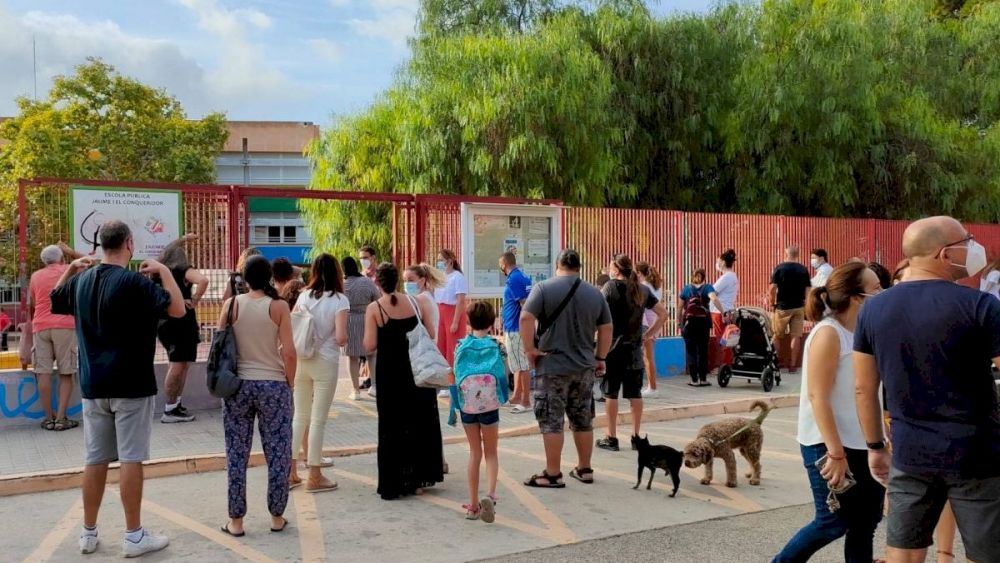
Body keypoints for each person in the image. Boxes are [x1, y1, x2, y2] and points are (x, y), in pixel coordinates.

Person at [854, 216, 1000, 563]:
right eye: (967, 240)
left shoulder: (873, 309)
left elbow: (863, 388)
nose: (974, 247)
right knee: (986, 554)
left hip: (909, 454)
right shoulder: (980, 306)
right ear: (945, 253)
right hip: (976, 454)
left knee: (903, 553)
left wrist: (875, 446)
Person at [50, 220, 185, 557]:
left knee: (95, 460)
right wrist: (164, 272)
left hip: (93, 385)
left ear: (100, 245)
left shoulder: (82, 280)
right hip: (131, 384)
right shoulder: (135, 282)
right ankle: (134, 535)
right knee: (131, 458)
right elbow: (178, 309)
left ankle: (88, 532)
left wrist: (71, 269)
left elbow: (55, 300)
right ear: (129, 244)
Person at [773, 262, 885, 562]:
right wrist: (836, 453)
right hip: (829, 444)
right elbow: (817, 397)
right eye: (876, 289)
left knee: (866, 521)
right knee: (832, 522)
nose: (883, 294)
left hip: (864, 441)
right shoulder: (829, 333)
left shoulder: (865, 332)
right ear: (856, 297)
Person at [218, 255, 296, 537]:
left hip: (238, 386)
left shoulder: (231, 305)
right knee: (278, 452)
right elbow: (289, 352)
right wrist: (289, 383)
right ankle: (276, 516)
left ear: (244, 278)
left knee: (236, 454)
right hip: (273, 385)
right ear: (270, 277)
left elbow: (220, 346)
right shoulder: (279, 306)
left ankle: (236, 521)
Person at [520, 249, 612, 487]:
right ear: (579, 267)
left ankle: (552, 473)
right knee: (583, 419)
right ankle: (584, 469)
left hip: (552, 366)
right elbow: (606, 327)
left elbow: (526, 318)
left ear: (557, 265)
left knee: (552, 420)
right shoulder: (595, 293)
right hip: (584, 367)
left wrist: (530, 349)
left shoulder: (543, 288)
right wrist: (600, 357)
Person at [364, 262, 444, 500]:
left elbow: (369, 345)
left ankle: (395, 482)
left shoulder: (375, 309)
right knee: (417, 423)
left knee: (392, 426)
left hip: (390, 374)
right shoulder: (416, 303)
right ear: (398, 281)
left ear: (378, 283)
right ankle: (417, 480)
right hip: (416, 371)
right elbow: (430, 333)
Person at [289, 254, 349, 493]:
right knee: (318, 420)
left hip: (302, 359)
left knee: (299, 416)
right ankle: (314, 475)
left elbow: (295, 324)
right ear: (337, 273)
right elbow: (341, 337)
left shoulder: (303, 296)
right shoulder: (340, 300)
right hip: (325, 361)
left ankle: (290, 472)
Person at [597, 254, 668, 452]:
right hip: (634, 350)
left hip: (612, 349)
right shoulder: (642, 289)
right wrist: (648, 334)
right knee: (635, 395)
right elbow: (663, 314)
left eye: (611, 267)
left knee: (611, 394)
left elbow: (598, 315)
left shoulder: (609, 287)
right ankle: (636, 437)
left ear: (616, 270)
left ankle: (611, 437)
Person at [448, 302, 509, 522]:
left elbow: (454, 376)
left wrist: (454, 406)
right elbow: (503, 375)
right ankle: (490, 496)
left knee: (475, 453)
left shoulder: (460, 346)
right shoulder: (497, 346)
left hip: (467, 406)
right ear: (492, 323)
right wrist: (503, 397)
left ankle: (473, 506)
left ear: (468, 321)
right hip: (490, 404)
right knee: (491, 453)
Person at [156, 237, 209, 424]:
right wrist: (195, 300)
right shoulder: (181, 269)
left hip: (164, 322)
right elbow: (203, 280)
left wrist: (183, 239)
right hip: (181, 322)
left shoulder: (160, 272)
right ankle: (170, 408)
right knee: (179, 365)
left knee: (179, 363)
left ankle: (175, 404)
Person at [28, 245, 79, 431]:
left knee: (43, 372)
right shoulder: (69, 270)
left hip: (40, 325)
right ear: (62, 258)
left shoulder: (35, 276)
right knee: (66, 372)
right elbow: (93, 264)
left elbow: (34, 302)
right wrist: (71, 253)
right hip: (65, 325)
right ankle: (61, 418)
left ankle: (48, 418)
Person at [678, 269, 725, 387]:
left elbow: (679, 307)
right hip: (703, 323)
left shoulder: (686, 289)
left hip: (689, 323)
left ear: (692, 276)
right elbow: (714, 299)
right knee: (703, 351)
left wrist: (679, 323)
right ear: (704, 277)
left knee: (691, 350)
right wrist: (722, 312)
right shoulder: (707, 287)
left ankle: (694, 380)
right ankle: (703, 379)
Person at [499, 252, 532, 414]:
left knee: (522, 365)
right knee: (517, 364)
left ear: (504, 264)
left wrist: (526, 326)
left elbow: (524, 304)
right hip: (514, 327)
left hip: (515, 328)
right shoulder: (522, 276)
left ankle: (525, 401)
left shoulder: (514, 279)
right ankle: (517, 396)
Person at [343, 257, 381, 400]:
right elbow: (378, 298)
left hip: (349, 320)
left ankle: (355, 390)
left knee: (352, 357)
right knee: (371, 354)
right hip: (367, 318)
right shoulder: (367, 282)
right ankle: (374, 386)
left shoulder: (342, 284)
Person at [770, 245, 812, 372]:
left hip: (782, 307)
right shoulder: (803, 270)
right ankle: (793, 365)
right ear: (797, 255)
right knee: (796, 336)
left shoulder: (779, 268)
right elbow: (808, 290)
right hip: (799, 306)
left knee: (776, 336)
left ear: (785, 254)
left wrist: (772, 303)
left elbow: (772, 288)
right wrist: (807, 305)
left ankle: (775, 363)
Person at [435, 249, 468, 368]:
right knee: (441, 344)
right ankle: (443, 374)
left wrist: (455, 321)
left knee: (452, 345)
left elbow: (461, 300)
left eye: (441, 260)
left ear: (449, 261)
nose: (438, 263)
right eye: (438, 260)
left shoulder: (457, 277)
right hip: (440, 311)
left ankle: (454, 375)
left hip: (453, 312)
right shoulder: (440, 277)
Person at [635, 261, 663, 398]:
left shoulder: (644, 286)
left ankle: (652, 387)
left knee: (647, 357)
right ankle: (651, 386)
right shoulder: (656, 286)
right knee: (648, 357)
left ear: (639, 273)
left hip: (648, 322)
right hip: (655, 321)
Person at [709, 249, 739, 372]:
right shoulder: (732, 276)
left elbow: (712, 293)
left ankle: (724, 366)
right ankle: (726, 364)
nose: (717, 263)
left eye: (718, 261)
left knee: (722, 339)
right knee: (726, 338)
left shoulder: (726, 277)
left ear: (723, 262)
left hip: (720, 312)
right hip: (727, 310)